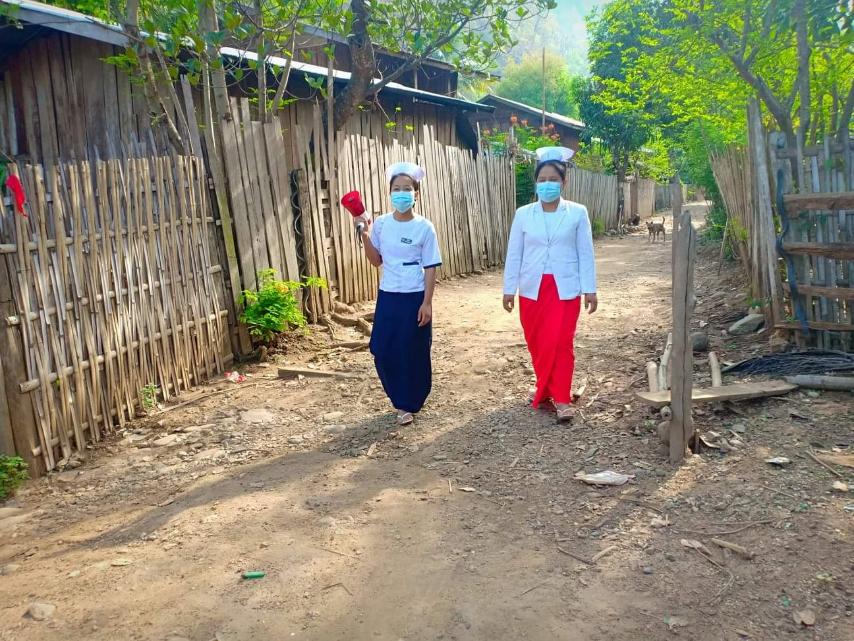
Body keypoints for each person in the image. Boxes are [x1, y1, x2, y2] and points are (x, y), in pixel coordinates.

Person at [502, 147, 598, 422]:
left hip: (564, 288)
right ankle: (544, 389)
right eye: (542, 180)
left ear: (563, 182)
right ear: (536, 182)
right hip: (531, 288)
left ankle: (562, 398)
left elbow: (585, 253)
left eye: (553, 180)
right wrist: (509, 289)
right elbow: (514, 253)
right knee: (538, 342)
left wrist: (590, 289)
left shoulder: (577, 213)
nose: (547, 185)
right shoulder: (524, 214)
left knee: (560, 342)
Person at [353, 162, 442, 426]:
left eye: (407, 189)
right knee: (382, 348)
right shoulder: (382, 224)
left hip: (414, 295)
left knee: (414, 349)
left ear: (416, 194)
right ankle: (398, 396)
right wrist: (364, 235)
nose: (401, 193)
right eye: (396, 189)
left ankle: (409, 403)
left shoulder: (424, 227)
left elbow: (430, 267)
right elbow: (376, 260)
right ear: (390, 193)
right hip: (389, 295)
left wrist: (427, 303)